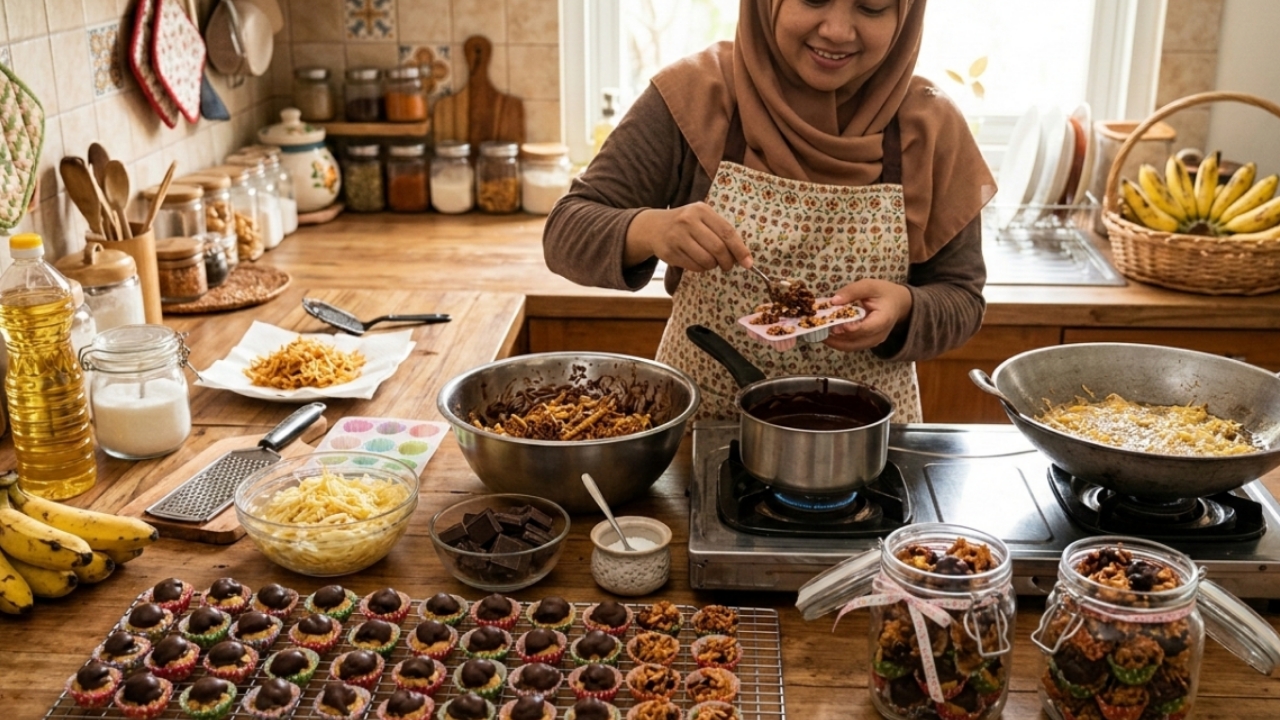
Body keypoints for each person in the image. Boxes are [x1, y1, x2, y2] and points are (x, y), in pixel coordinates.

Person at [543, 0, 996, 422]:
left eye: (872, 6)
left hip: (867, 444)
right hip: (701, 432)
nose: (838, 30)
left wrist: (905, 309)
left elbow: (962, 298)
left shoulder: (932, 125)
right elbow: (565, 233)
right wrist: (648, 229)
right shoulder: (696, 95)